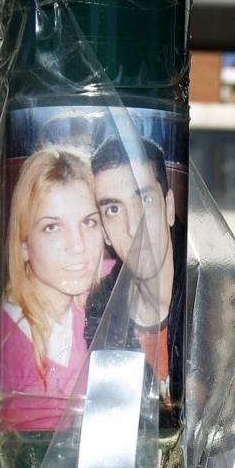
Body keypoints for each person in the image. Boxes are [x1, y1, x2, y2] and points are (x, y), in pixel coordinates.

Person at [0, 148, 104, 433]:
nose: (77, 244)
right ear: (23, 244)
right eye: (52, 227)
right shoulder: (3, 337)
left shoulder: (94, 305)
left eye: (88, 222)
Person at [88, 134, 183, 409]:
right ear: (104, 231)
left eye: (144, 201)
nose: (133, 227)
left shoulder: (210, 309)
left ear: (169, 208)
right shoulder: (95, 315)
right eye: (114, 209)